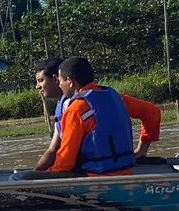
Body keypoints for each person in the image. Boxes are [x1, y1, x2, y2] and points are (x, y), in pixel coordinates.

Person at [29, 57, 161, 174]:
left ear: (69, 81)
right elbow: (152, 112)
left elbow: (64, 163)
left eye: (40, 80)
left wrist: (35, 177)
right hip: (126, 167)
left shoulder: (75, 109)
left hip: (95, 173)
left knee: (28, 176)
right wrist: (141, 150)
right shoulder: (115, 98)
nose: (37, 87)